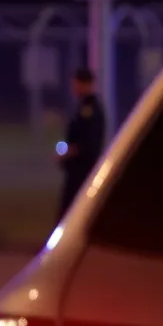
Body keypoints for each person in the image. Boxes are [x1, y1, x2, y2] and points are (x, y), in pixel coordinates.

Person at [57, 66, 107, 221]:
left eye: (76, 83)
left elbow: (89, 142)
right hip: (77, 170)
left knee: (71, 214)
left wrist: (70, 151)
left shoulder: (91, 110)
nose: (74, 87)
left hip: (83, 171)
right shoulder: (82, 107)